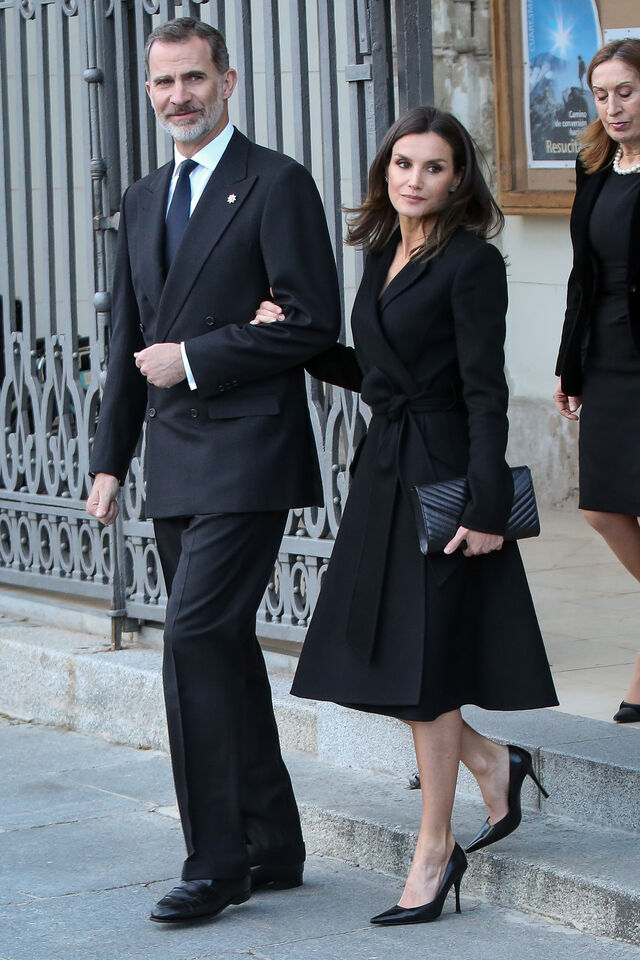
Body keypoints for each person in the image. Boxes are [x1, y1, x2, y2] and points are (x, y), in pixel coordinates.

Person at [253, 105, 558, 926]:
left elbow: (485, 391)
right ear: (384, 172)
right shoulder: (384, 250)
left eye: (432, 167)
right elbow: (382, 372)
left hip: (446, 474)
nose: (414, 179)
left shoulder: (473, 263)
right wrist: (301, 341)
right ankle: (494, 761)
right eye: (402, 165)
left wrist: (489, 503)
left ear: (458, 178)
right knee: (364, 655)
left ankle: (434, 851)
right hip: (384, 468)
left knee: (423, 676)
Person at [86, 17, 341, 923]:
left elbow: (313, 324)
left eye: (194, 79)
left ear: (229, 82)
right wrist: (109, 458)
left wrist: (195, 356)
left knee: (192, 639)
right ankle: (273, 843)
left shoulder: (277, 183)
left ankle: (216, 861)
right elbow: (125, 340)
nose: (178, 97)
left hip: (251, 453)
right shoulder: (147, 195)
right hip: (173, 461)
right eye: (163, 83)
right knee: (222, 648)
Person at [554, 39, 640, 724]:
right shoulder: (595, 166)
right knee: (602, 509)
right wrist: (569, 363)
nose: (612, 106)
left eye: (626, 91)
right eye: (603, 93)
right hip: (607, 354)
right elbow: (582, 275)